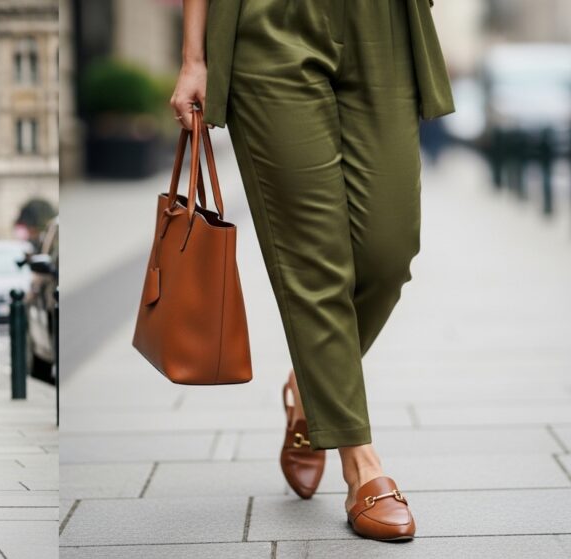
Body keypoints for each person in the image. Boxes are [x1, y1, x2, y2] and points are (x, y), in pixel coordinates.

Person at [170, 0, 454, 541]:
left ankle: (310, 386)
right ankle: (362, 467)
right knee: (312, 260)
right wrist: (193, 57)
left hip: (383, 22)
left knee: (388, 252)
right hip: (268, 26)